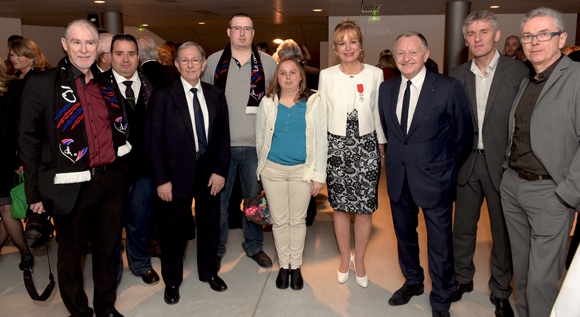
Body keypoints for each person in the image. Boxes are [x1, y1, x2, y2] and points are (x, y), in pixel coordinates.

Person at [19, 19, 131, 317]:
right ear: (65, 45)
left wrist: (123, 172)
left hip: (110, 182)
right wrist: (34, 194)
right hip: (68, 185)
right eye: (77, 42)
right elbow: (28, 141)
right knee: (70, 258)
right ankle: (80, 312)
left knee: (108, 253)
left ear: (98, 48)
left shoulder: (107, 83)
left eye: (90, 43)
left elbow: (120, 129)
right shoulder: (42, 84)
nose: (84, 49)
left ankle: (106, 308)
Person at [378, 31, 473, 317]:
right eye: (401, 53)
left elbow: (464, 136)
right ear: (395, 58)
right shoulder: (387, 89)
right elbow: (393, 133)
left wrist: (444, 166)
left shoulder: (447, 87)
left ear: (426, 55)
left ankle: (442, 295)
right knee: (404, 236)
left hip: (436, 179)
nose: (406, 58)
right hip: (398, 178)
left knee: (440, 242)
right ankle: (413, 281)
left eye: (412, 52)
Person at [499, 7, 580, 317]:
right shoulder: (528, 80)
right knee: (523, 269)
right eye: (528, 36)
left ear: (561, 39)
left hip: (551, 193)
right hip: (514, 186)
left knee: (543, 279)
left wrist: (567, 195)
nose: (534, 42)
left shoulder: (575, 78)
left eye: (543, 34)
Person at [448, 10, 528, 317]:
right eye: (471, 33)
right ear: (465, 38)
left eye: (483, 32)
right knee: (463, 229)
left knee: (502, 234)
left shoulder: (517, 72)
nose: (477, 38)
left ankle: (500, 290)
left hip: (503, 167)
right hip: (466, 164)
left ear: (496, 35)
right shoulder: (456, 75)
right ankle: (462, 279)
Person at [147, 41, 231, 302]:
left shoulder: (216, 94)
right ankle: (171, 281)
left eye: (195, 60)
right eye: (184, 60)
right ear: (176, 65)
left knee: (209, 226)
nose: (191, 65)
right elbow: (154, 141)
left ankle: (207, 272)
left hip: (209, 174)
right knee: (173, 231)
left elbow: (223, 138)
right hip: (174, 175)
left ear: (204, 64)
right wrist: (162, 180)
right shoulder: (163, 95)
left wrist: (219, 171)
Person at [201, 13, 276, 270]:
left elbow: (275, 103)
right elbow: (205, 102)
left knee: (254, 202)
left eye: (247, 29)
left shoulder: (268, 63)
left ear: (254, 33)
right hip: (222, 147)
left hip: (255, 146)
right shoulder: (213, 62)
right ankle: (217, 248)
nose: (242, 33)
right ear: (228, 31)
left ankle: (254, 246)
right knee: (218, 204)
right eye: (237, 28)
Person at [319, 19, 385, 289]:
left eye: (353, 41)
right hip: (336, 146)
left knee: (365, 209)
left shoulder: (375, 74)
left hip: (366, 146)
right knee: (341, 208)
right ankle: (345, 258)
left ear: (361, 45)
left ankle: (362, 259)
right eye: (342, 43)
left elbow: (379, 113)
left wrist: (381, 144)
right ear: (335, 48)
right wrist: (320, 151)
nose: (348, 47)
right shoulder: (326, 75)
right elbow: (322, 116)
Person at [255, 58, 327, 290]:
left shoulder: (314, 102)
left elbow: (321, 141)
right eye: (283, 73)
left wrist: (318, 175)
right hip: (273, 171)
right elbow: (260, 138)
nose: (287, 77)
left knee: (297, 221)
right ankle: (283, 266)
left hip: (302, 172)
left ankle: (295, 266)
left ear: (300, 76)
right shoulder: (267, 102)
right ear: (277, 77)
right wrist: (262, 167)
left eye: (292, 73)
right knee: (279, 221)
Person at [102, 33, 159, 286]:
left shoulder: (151, 86)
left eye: (131, 54)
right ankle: (111, 273)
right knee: (111, 226)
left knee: (139, 221)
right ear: (109, 56)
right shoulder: (98, 87)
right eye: (119, 54)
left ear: (139, 57)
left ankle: (141, 264)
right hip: (110, 171)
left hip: (144, 169)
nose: (125, 60)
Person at [0, 59, 31, 270]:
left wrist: (20, 159)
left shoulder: (13, 88)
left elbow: (22, 125)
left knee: (6, 208)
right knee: (4, 210)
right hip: (6, 158)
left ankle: (25, 252)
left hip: (8, 159)